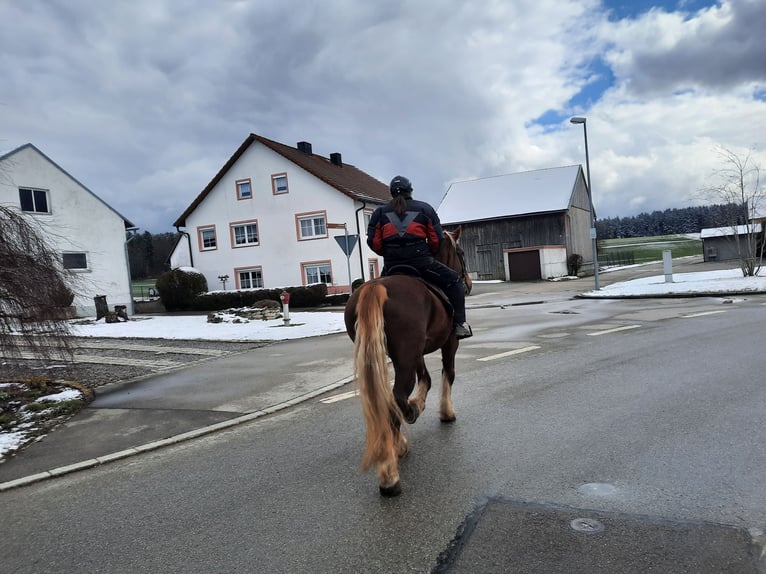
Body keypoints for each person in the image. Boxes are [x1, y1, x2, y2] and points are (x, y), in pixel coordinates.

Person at [367, 175, 472, 339]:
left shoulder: (379, 212)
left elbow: (374, 243)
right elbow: (436, 240)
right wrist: (426, 251)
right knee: (455, 280)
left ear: (392, 193)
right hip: (421, 263)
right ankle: (459, 325)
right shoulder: (425, 209)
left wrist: (389, 253)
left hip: (392, 266)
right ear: (411, 191)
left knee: (373, 294)